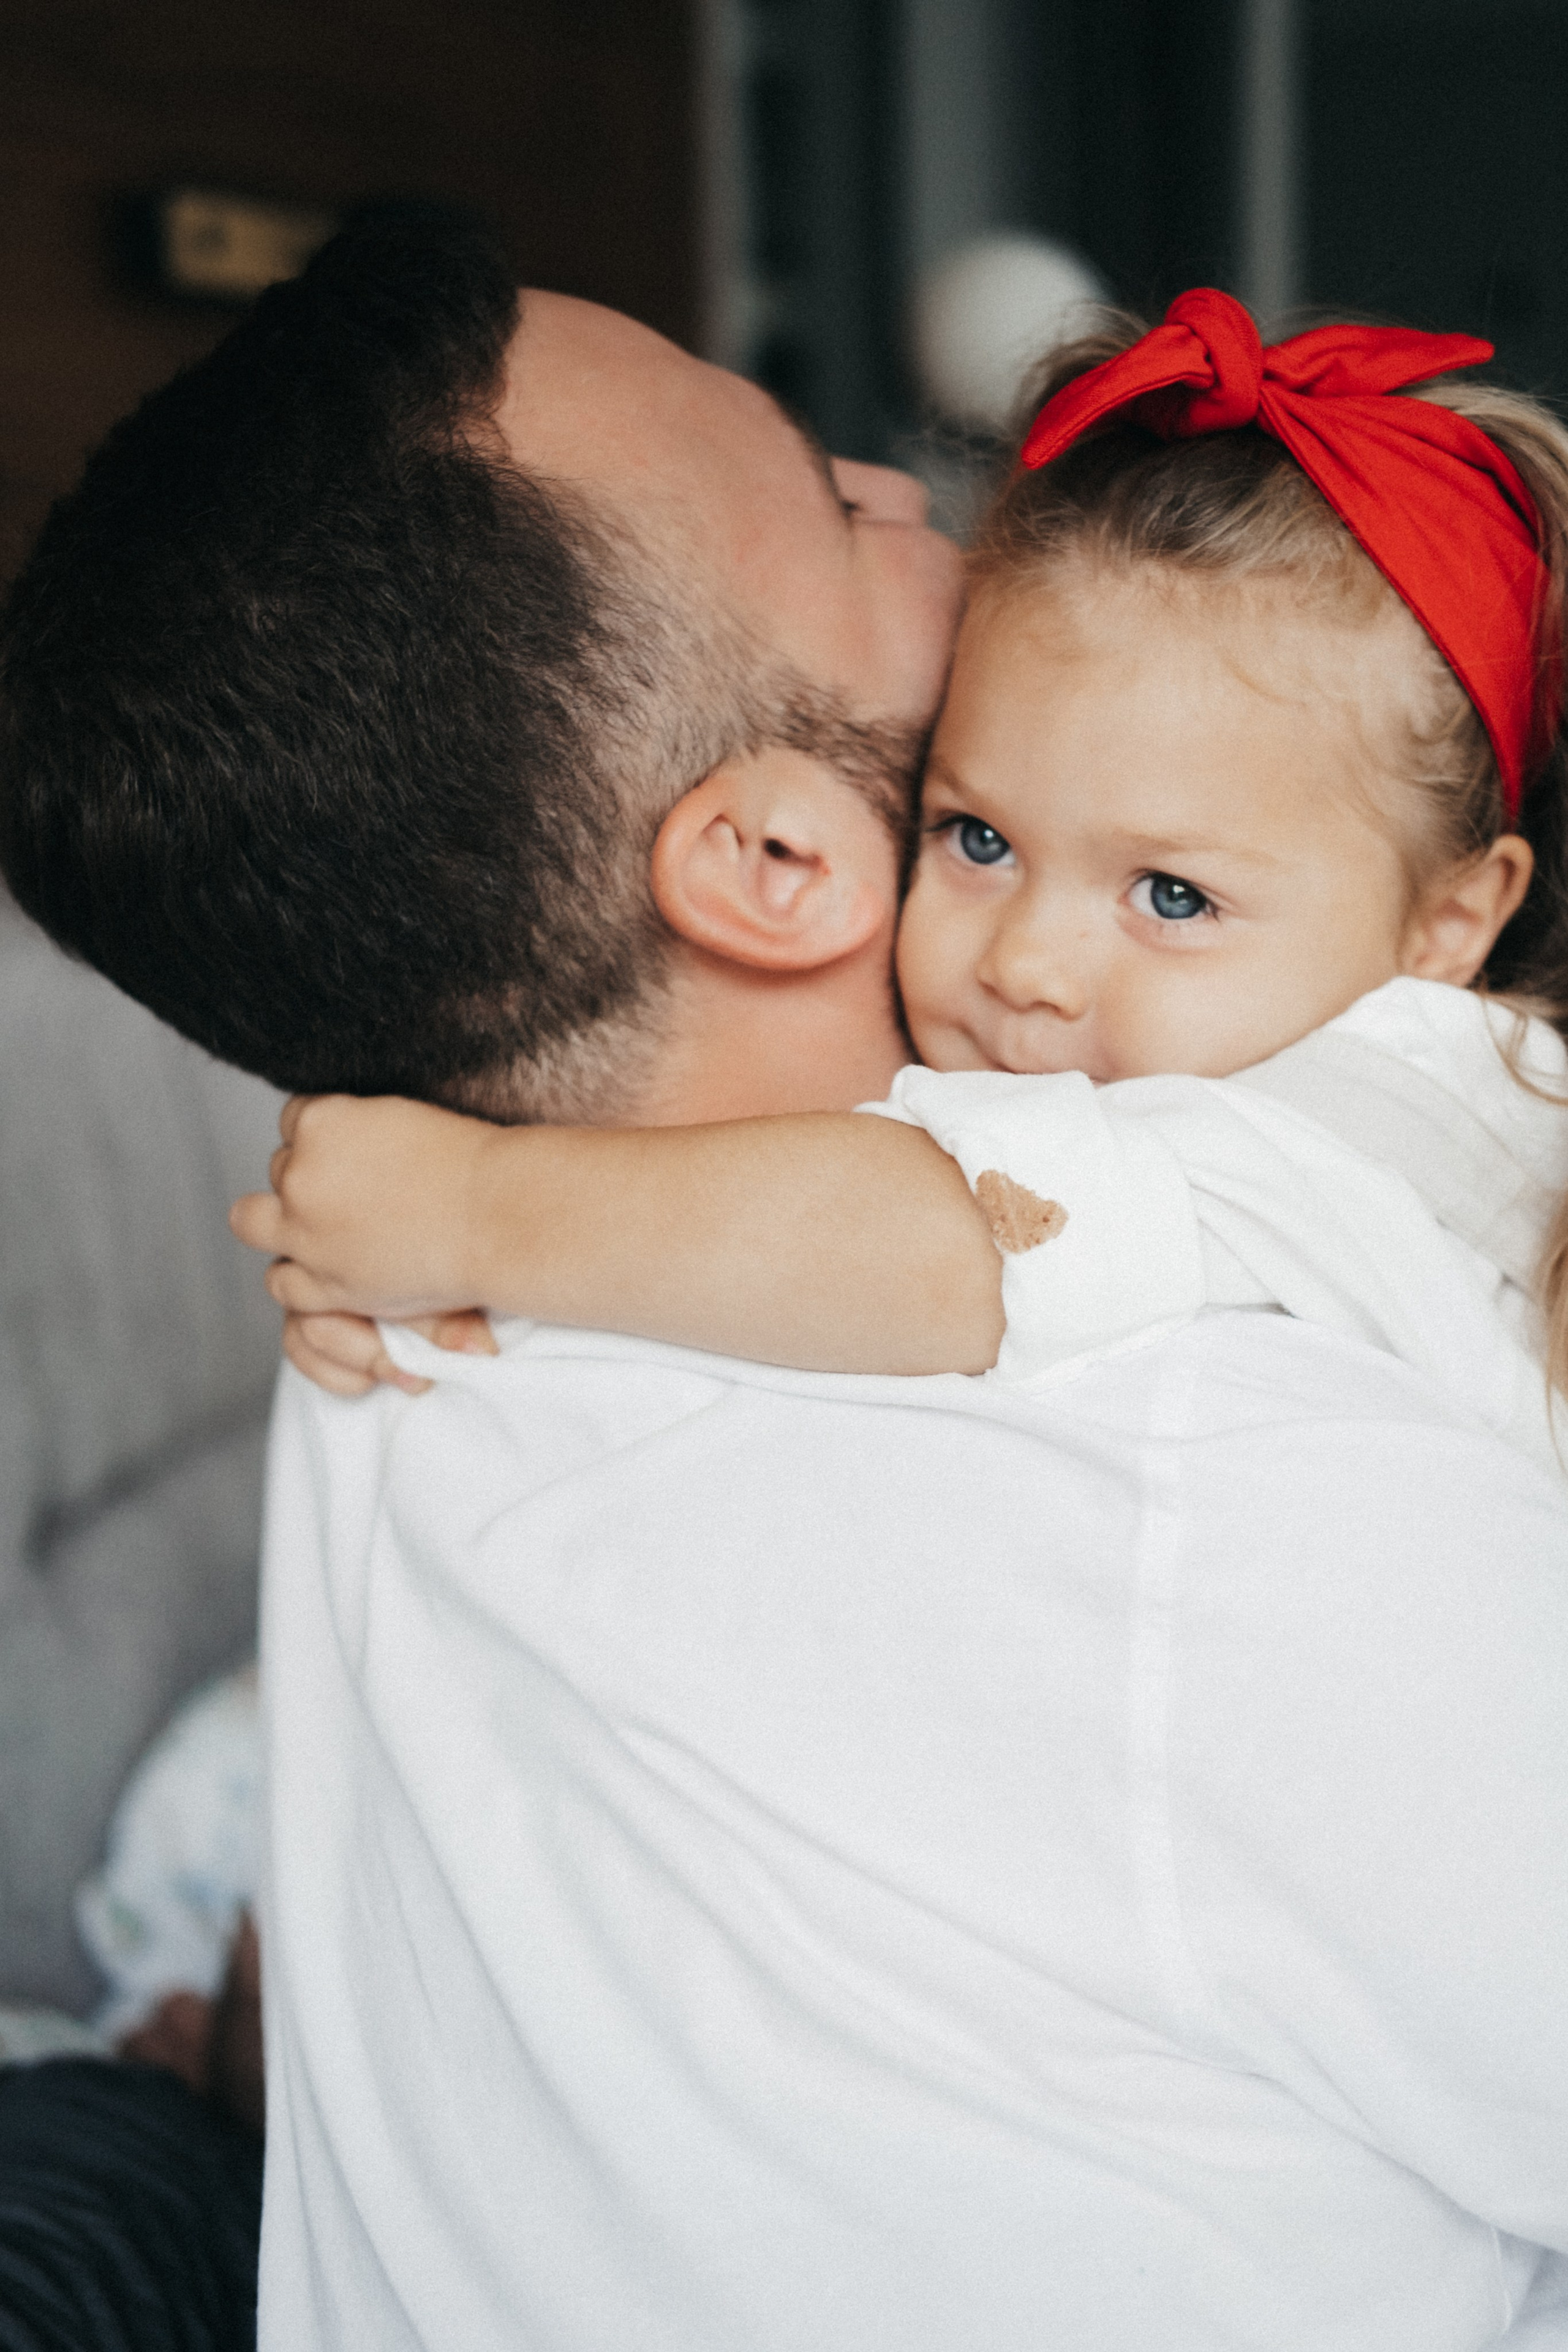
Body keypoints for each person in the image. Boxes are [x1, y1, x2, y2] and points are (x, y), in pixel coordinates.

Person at [4, 224, 1567, 2350]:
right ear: (772, 861)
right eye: (836, 499)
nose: (918, 492)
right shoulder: (1211, 1476)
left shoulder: (377, 1332)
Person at [243, 293, 1568, 1496]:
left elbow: (949, 1240)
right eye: (977, 838)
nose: (1022, 965)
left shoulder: (1407, 1094)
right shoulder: (1202, 1046)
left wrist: (467, 1208)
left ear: (1447, 926)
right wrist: (383, 1213)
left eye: (1169, 897)